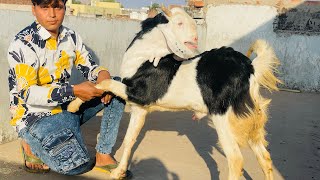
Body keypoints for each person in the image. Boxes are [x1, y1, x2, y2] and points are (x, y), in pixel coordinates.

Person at [7, 0, 131, 178]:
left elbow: (89, 67)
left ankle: (103, 154)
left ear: (64, 8)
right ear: (34, 9)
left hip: (66, 108)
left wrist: (103, 76)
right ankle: (29, 142)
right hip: (35, 118)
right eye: (45, 7)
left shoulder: (70, 37)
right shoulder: (22, 43)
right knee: (77, 166)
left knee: (116, 87)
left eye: (57, 7)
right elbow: (27, 93)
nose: (52, 14)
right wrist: (73, 91)